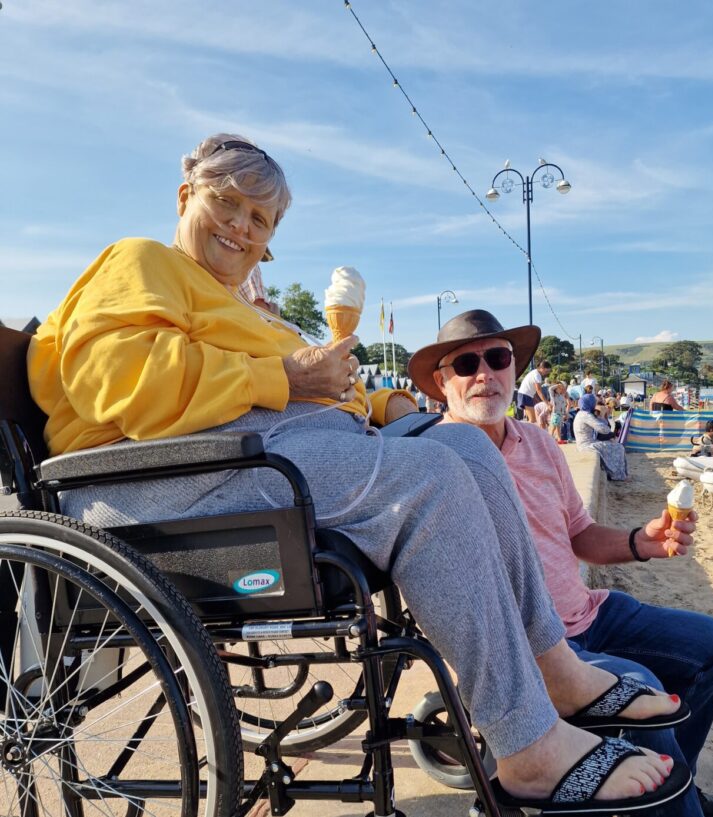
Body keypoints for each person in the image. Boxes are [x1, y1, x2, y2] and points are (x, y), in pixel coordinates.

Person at [26, 134, 680, 811]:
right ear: (186, 195)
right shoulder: (141, 261)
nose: (241, 228)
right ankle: (527, 748)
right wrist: (282, 374)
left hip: (248, 464)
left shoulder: (235, 307)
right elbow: (118, 382)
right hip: (155, 484)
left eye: (261, 221)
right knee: (427, 479)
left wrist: (388, 404)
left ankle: (556, 669)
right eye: (228, 204)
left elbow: (314, 388)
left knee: (469, 452)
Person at [408, 309, 713, 817]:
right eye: (466, 363)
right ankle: (671, 803)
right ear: (440, 381)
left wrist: (640, 540)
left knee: (712, 644)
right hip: (526, 648)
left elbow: (578, 535)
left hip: (589, 614)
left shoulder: (539, 442)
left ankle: (678, 790)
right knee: (639, 687)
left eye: (498, 358)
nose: (484, 374)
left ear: (514, 369)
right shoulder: (433, 462)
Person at [572, 392, 629, 480]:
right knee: (619, 447)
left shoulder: (581, 414)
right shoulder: (586, 415)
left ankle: (614, 473)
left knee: (613, 445)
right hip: (587, 445)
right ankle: (617, 475)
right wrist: (612, 433)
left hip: (586, 443)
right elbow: (602, 428)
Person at [516, 360, 552, 425]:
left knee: (530, 419)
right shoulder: (537, 375)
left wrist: (539, 400)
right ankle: (525, 433)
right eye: (546, 371)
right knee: (532, 420)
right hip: (525, 395)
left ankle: (524, 432)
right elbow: (539, 390)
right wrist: (547, 403)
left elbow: (535, 391)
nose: (547, 373)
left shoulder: (534, 372)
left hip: (525, 395)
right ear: (542, 368)